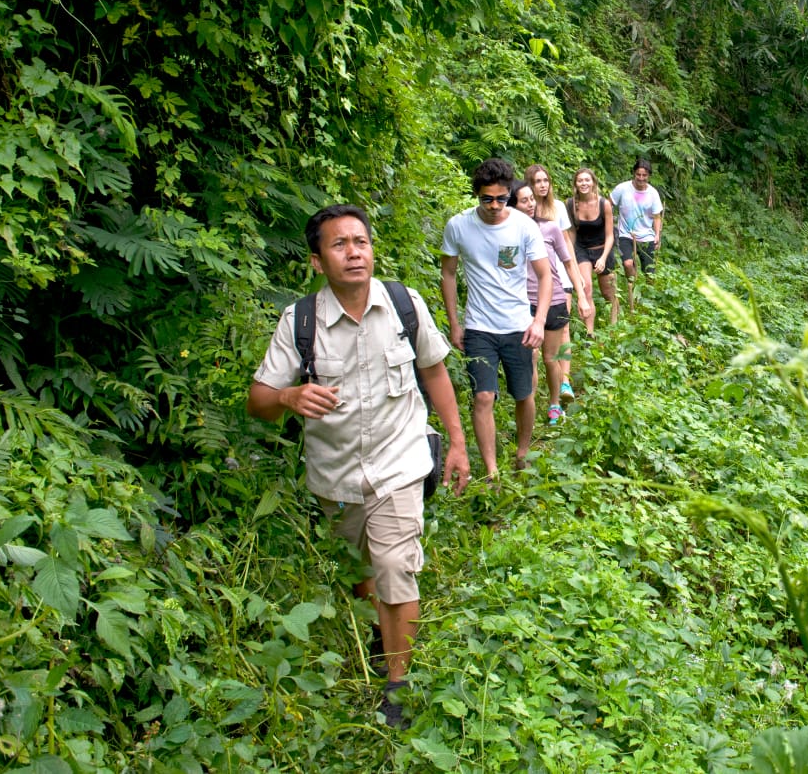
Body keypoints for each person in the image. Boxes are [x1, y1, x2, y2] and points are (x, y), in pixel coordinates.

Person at [247, 204, 471, 729]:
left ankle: (397, 686)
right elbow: (256, 400)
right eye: (339, 244)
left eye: (361, 242)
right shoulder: (300, 322)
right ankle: (383, 629)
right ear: (317, 261)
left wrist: (457, 443)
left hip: (401, 461)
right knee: (363, 570)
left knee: (395, 565)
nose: (354, 252)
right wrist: (289, 396)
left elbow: (434, 373)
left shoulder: (402, 304)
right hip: (338, 476)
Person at [440, 159, 552, 475]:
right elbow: (447, 274)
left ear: (509, 195)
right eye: (486, 198)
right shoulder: (458, 226)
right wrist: (455, 323)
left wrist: (539, 321)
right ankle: (491, 471)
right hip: (479, 327)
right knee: (483, 397)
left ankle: (522, 452)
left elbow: (545, 276)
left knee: (524, 394)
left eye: (501, 198)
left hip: (518, 325)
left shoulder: (523, 226)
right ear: (476, 194)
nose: (493, 205)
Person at [511, 180, 584, 423]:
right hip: (522, 304)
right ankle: (528, 406)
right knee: (528, 358)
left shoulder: (550, 229)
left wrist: (581, 296)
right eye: (524, 200)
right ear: (513, 205)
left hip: (552, 301)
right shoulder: (507, 233)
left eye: (532, 198)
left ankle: (555, 404)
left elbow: (568, 261)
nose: (531, 203)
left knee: (550, 357)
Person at [524, 165, 592, 348]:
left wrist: (576, 272)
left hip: (559, 271)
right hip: (530, 276)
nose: (543, 185)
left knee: (563, 328)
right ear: (529, 184)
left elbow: (566, 243)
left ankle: (565, 376)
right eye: (538, 181)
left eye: (546, 180)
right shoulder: (524, 209)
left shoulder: (558, 207)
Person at [610, 158, 664, 308]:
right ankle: (632, 289)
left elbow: (657, 216)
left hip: (646, 235)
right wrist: (608, 222)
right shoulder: (622, 189)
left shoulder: (653, 193)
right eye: (638, 174)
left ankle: (648, 299)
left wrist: (657, 235)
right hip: (625, 234)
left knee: (650, 272)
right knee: (628, 263)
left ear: (648, 176)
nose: (641, 178)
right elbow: (609, 203)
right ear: (634, 173)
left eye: (644, 175)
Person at [570, 167, 618, 328]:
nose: (584, 183)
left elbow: (610, 235)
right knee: (586, 287)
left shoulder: (604, 204)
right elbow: (570, 234)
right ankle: (589, 332)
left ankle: (614, 326)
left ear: (593, 183)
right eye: (580, 180)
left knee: (608, 293)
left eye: (587, 180)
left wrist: (603, 258)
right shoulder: (571, 205)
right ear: (575, 184)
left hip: (603, 247)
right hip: (582, 249)